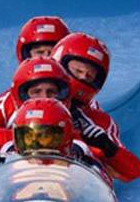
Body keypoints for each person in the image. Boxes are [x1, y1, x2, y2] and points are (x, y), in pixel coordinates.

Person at [0, 98, 140, 183]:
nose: (38, 143)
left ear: (65, 136)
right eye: (29, 136)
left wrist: (109, 148)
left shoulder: (83, 143)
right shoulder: (2, 139)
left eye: (48, 136)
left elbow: (135, 172)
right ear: (17, 135)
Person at [50, 32, 124, 162]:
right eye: (78, 71)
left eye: (89, 75)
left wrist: (105, 148)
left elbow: (126, 166)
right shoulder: (18, 103)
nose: (83, 77)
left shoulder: (102, 122)